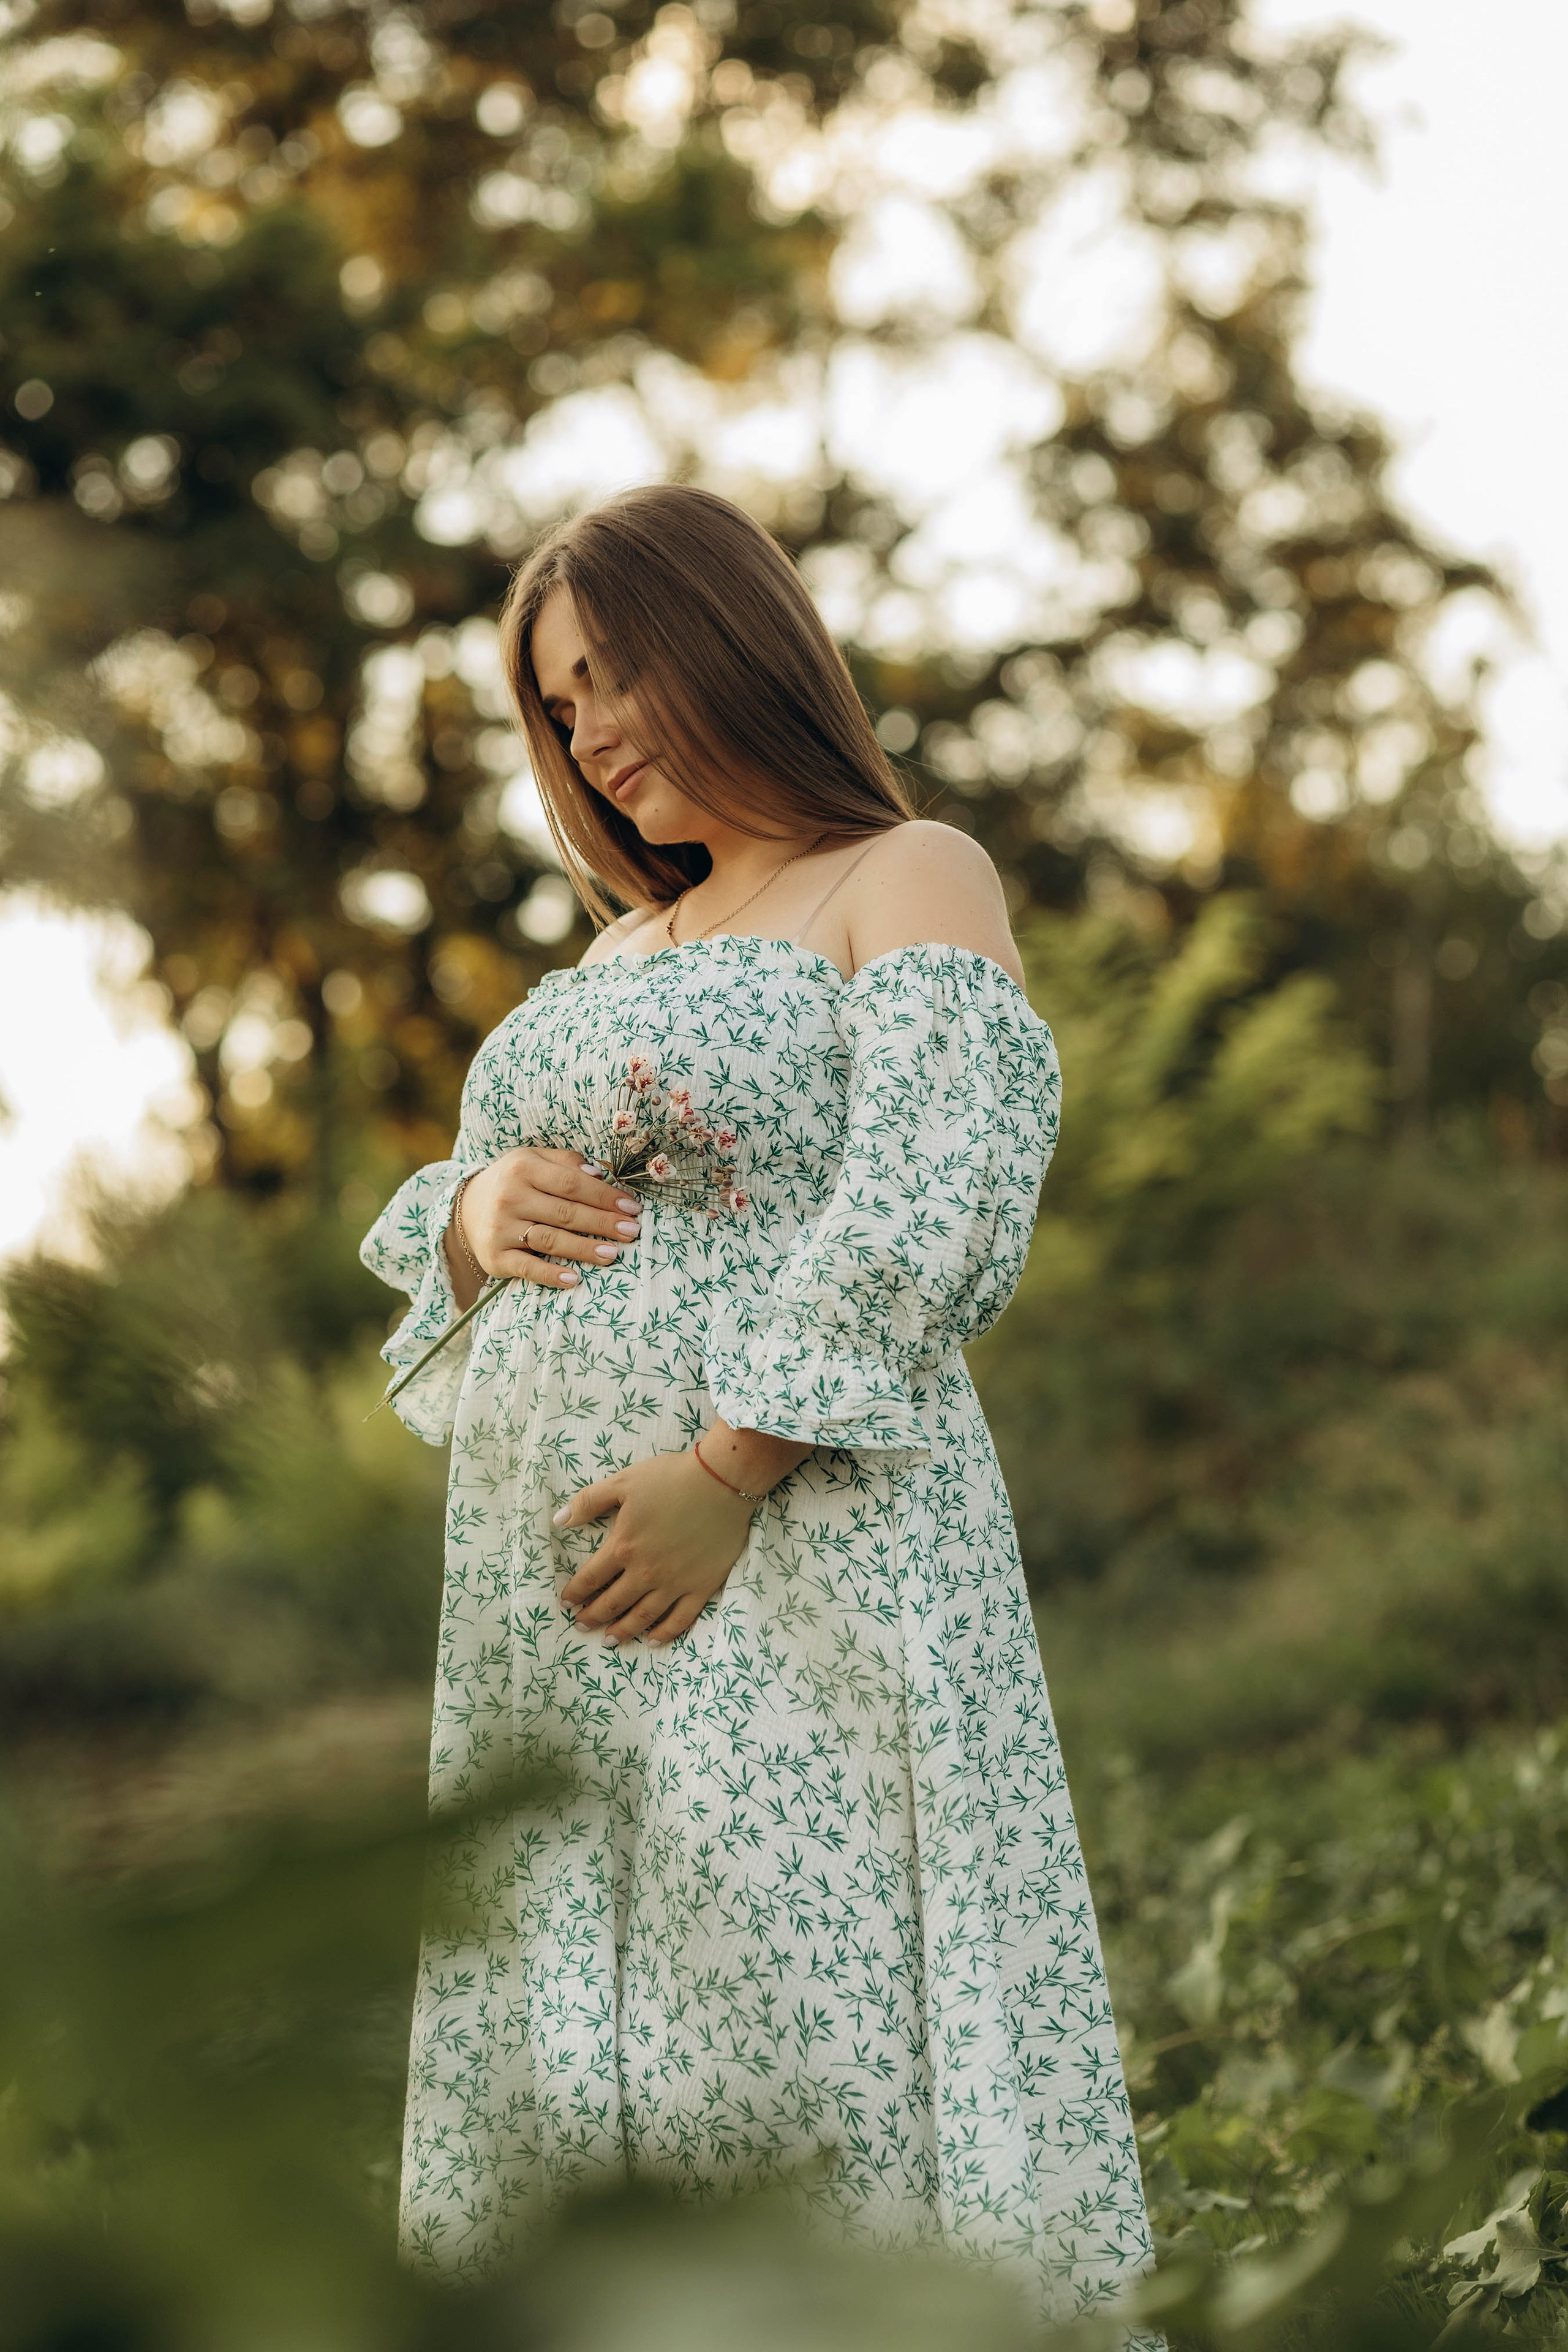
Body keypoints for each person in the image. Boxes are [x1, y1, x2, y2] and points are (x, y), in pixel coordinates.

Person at [361, 484, 1157, 2331]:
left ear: (734, 639)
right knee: (583, 2013)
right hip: (555, 1620)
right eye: (559, 710)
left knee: (795, 2000)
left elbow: (938, 1190)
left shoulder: (907, 875)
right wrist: (473, 1219)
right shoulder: (622, 949)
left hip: (798, 1547)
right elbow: (479, 1199)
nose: (593, 734)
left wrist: (730, 1468)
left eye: (614, 675)